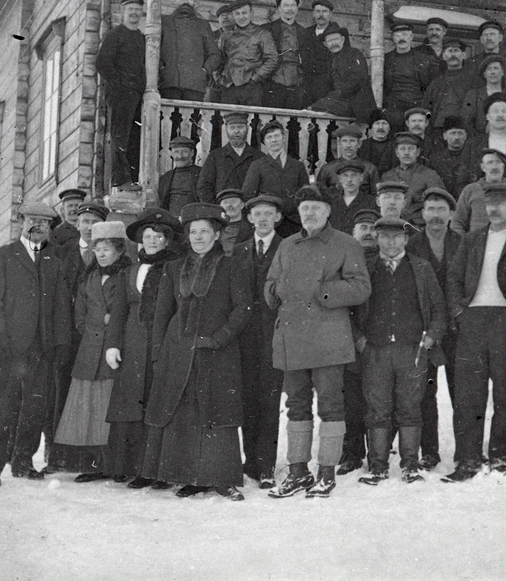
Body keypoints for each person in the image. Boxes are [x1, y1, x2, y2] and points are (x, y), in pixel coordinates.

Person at [267, 186, 372, 498]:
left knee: (330, 405)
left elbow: (361, 286)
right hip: (292, 336)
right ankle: (298, 471)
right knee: (295, 404)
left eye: (315, 208)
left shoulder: (346, 244)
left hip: (328, 337)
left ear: (328, 212)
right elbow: (270, 283)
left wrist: (324, 292)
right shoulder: (287, 244)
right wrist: (275, 292)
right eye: (304, 209)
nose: (309, 213)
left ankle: (326, 472)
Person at [144, 203, 252, 500]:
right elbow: (163, 313)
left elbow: (242, 308)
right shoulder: (174, 268)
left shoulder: (231, 266)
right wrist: (158, 352)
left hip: (218, 350)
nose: (198, 237)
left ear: (217, 234)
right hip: (178, 350)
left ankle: (220, 477)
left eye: (205, 231)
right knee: (184, 410)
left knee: (215, 410)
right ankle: (189, 475)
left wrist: (220, 338)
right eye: (193, 232)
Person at [443, 182, 506, 481]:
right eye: (488, 203)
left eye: (501, 203)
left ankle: (500, 456)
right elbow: (453, 277)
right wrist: (458, 311)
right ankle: (467, 459)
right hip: (473, 321)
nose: (493, 209)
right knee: (469, 394)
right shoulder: (472, 239)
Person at [0, 201, 71, 486]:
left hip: (41, 348)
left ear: (49, 228)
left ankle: (22, 461)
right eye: (32, 220)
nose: (37, 226)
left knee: (35, 407)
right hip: (8, 348)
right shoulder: (1, 257)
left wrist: (60, 344)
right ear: (21, 222)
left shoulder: (53, 262)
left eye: (44, 223)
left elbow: (60, 307)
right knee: (3, 406)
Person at [353, 217, 448, 485]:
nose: (391, 242)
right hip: (376, 350)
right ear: (377, 238)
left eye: (396, 237)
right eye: (384, 236)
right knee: (377, 408)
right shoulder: (366, 268)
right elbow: (352, 310)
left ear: (406, 240)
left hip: (412, 350)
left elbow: (439, 309)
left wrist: (430, 338)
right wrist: (360, 341)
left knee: (410, 407)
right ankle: (378, 466)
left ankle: (410, 465)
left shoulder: (421, 268)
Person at [53, 220, 131, 483]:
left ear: (119, 250)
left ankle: (116, 464)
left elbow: (127, 311)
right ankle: (94, 463)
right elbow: (80, 313)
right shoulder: (90, 276)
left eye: (107, 248)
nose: (102, 254)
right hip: (89, 349)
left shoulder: (127, 274)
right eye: (98, 248)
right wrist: (94, 325)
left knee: (111, 407)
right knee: (89, 409)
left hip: (114, 349)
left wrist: (112, 325)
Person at [109, 208, 180, 489]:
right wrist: (113, 345)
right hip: (133, 345)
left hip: (163, 343)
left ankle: (158, 470)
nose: (152, 241)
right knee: (131, 405)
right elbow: (119, 312)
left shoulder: (174, 268)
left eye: (158, 236)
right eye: (147, 236)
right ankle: (133, 466)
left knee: (158, 403)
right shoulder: (130, 271)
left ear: (166, 240)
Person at [233, 195, 287, 488]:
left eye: (269, 213)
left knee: (269, 400)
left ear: (277, 218)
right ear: (250, 218)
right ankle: (249, 461)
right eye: (258, 214)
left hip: (274, 336)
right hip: (244, 338)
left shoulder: (287, 248)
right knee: (246, 399)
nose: (263, 219)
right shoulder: (238, 251)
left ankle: (266, 465)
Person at [407, 187, 463, 469]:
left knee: (462, 392)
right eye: (431, 209)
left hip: (458, 332)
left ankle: (466, 451)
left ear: (451, 214)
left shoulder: (464, 242)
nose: (436, 215)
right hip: (425, 332)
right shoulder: (412, 246)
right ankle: (429, 451)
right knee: (425, 394)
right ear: (422, 214)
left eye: (442, 210)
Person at [96, 0, 146, 185]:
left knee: (135, 137)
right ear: (123, 13)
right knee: (120, 137)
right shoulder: (116, 34)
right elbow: (102, 62)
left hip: (138, 95)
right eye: (130, 9)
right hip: (121, 95)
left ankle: (133, 179)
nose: (134, 13)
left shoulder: (141, 37)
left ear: (141, 13)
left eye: (137, 9)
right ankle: (120, 180)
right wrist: (120, 83)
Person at [240, 120, 311, 238]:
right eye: (269, 137)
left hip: (295, 223)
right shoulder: (258, 166)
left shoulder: (297, 165)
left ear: (283, 138)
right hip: (270, 223)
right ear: (264, 143)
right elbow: (247, 196)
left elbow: (306, 194)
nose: (274, 140)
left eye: (277, 136)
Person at [159, 0, 221, 102]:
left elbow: (215, 55)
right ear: (175, 0)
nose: (186, 2)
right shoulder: (165, 22)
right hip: (169, 82)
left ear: (194, 1)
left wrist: (203, 71)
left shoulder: (202, 25)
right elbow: (153, 49)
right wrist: (162, 68)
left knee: (192, 120)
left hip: (195, 86)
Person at [215, 0, 279, 106]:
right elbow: (217, 59)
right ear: (233, 15)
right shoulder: (226, 36)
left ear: (251, 13)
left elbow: (272, 59)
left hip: (251, 87)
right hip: (228, 87)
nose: (241, 17)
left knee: (252, 121)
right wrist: (219, 78)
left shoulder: (262, 34)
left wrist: (255, 78)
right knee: (229, 120)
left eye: (244, 13)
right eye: (237, 14)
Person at [451, 149, 506, 234]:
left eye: (498, 162)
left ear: (503, 167)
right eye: (490, 163)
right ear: (483, 167)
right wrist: (467, 243)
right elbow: (457, 223)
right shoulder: (471, 190)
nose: (494, 167)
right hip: (477, 244)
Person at [383, 20, 441, 131]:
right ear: (393, 38)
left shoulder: (424, 59)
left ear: (411, 37)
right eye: (397, 35)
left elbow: (434, 87)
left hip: (418, 105)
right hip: (394, 107)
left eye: (405, 35)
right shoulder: (386, 59)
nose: (401, 38)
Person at [308, 27, 373, 122]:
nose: (333, 43)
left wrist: (338, 94)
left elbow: (359, 79)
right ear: (325, 44)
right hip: (338, 101)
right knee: (314, 108)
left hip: (355, 101)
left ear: (342, 39)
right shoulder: (328, 60)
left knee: (316, 108)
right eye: (330, 41)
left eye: (336, 39)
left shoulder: (354, 54)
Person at [382, 132, 446, 225]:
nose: (407, 153)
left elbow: (440, 201)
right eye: (402, 149)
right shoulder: (387, 177)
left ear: (418, 152)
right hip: (394, 224)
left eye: (411, 149)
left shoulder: (429, 174)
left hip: (420, 225)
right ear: (397, 152)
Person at [197, 112, 257, 204]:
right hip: (223, 211)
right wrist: (216, 209)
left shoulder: (258, 156)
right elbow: (204, 187)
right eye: (232, 127)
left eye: (240, 127)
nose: (236, 131)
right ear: (226, 130)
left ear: (247, 129)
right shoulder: (215, 156)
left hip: (249, 211)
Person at [264, 0, 309, 109]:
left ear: (297, 8)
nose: (290, 9)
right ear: (279, 8)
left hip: (296, 83)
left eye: (293, 5)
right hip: (274, 82)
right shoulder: (268, 29)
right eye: (286, 5)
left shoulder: (304, 33)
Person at [423, 39, 477, 130]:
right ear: (444, 56)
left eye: (456, 51)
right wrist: (429, 124)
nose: (453, 55)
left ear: (463, 55)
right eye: (450, 51)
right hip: (438, 129)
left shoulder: (473, 82)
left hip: (463, 129)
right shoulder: (436, 83)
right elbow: (426, 108)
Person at [315, 124, 381, 196]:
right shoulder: (327, 169)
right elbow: (319, 195)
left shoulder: (369, 168)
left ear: (359, 144)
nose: (348, 145)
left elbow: (375, 195)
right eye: (344, 141)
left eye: (352, 141)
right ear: (339, 143)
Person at [426, 115, 475, 200]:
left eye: (460, 133)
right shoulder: (434, 159)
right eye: (453, 133)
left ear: (465, 136)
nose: (457, 137)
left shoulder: (473, 157)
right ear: (445, 136)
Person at [465, 20, 506, 89]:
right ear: (481, 39)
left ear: (500, 38)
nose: (489, 38)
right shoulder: (471, 63)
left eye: (492, 34)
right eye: (485, 35)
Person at [461, 55, 506, 135]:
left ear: (502, 72)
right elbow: (466, 122)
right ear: (484, 74)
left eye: (496, 68)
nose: (492, 72)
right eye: (489, 69)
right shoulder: (474, 95)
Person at [302, 0, 338, 104]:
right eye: (317, 11)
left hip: (328, 85)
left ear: (331, 14)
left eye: (325, 11)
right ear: (313, 14)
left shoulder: (338, 34)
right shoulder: (306, 33)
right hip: (307, 84)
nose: (321, 15)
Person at [156, 136, 201, 218]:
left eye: (185, 152)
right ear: (171, 154)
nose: (180, 156)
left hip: (194, 220)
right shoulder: (165, 178)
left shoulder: (201, 174)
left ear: (192, 153)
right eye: (176, 152)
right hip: (171, 222)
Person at [328, 161, 377, 235]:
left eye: (354, 175)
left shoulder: (371, 202)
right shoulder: (331, 203)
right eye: (345, 175)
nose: (349, 180)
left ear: (361, 178)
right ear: (340, 179)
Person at [216, 187, 254, 254]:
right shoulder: (215, 229)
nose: (229, 205)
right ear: (220, 207)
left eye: (233, 202)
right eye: (225, 202)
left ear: (242, 205)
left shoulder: (252, 229)